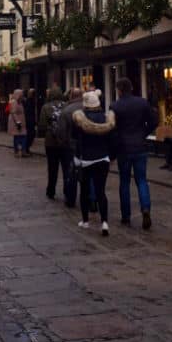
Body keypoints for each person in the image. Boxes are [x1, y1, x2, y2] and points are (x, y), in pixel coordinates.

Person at [111, 77, 158, 229]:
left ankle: (126, 215)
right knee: (142, 180)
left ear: (119, 90)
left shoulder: (115, 106)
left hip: (123, 149)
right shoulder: (142, 103)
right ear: (131, 88)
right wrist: (144, 133)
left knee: (124, 182)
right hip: (140, 146)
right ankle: (145, 208)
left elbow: (112, 129)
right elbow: (154, 121)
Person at [72, 91, 117, 235]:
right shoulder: (105, 118)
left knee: (84, 191)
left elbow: (76, 138)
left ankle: (85, 221)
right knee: (101, 191)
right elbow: (111, 140)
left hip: (86, 159)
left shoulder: (81, 119)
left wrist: (76, 156)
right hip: (102, 158)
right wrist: (111, 156)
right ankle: (104, 222)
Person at [56, 86, 84, 207]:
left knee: (70, 173)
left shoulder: (66, 110)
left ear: (71, 96)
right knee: (87, 174)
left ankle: (70, 199)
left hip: (70, 147)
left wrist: (63, 144)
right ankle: (90, 201)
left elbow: (61, 131)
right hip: (87, 147)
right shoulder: (88, 108)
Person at [38, 87, 67, 199]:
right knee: (65, 167)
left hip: (51, 141)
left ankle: (51, 190)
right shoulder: (66, 105)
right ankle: (67, 190)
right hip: (64, 140)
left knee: (52, 167)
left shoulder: (46, 107)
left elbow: (42, 125)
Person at [7, 89, 28, 156]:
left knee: (22, 136)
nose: (22, 96)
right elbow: (14, 113)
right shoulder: (14, 102)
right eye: (21, 95)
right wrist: (18, 122)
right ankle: (18, 151)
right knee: (18, 136)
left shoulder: (20, 102)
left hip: (21, 121)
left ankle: (22, 151)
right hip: (16, 122)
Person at [24, 88, 37, 155]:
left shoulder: (32, 101)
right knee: (30, 135)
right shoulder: (28, 101)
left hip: (31, 120)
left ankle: (27, 148)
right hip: (29, 120)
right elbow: (28, 112)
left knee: (31, 135)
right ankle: (26, 148)